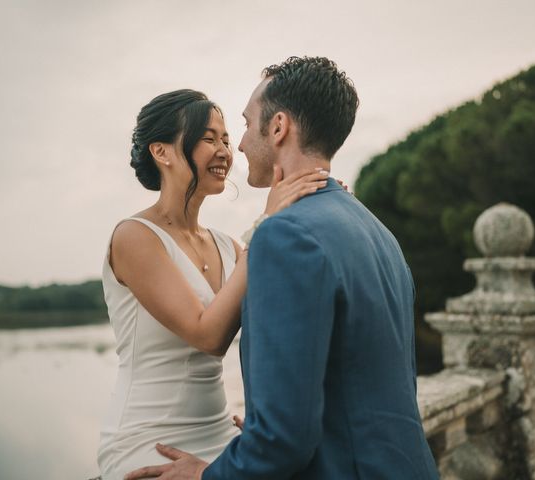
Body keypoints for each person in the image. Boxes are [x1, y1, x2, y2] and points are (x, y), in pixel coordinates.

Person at [125, 57, 439, 479]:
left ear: (277, 127)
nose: (235, 147)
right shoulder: (375, 229)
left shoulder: (284, 236)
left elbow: (283, 439)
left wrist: (206, 475)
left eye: (245, 124)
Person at [97, 88, 329, 479]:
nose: (225, 150)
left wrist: (320, 212)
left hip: (220, 435)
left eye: (225, 138)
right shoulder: (134, 237)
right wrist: (268, 225)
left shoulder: (231, 247)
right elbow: (208, 336)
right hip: (148, 440)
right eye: (208, 138)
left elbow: (272, 327)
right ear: (163, 152)